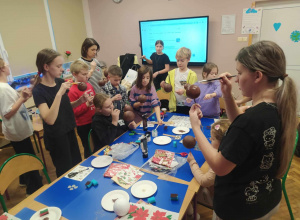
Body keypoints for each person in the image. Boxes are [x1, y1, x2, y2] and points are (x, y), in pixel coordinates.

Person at [189, 41, 298, 220]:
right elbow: (244, 130)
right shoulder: (279, 107)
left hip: (239, 210)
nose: (236, 79)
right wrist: (227, 94)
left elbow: (219, 166)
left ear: (257, 76)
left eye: (239, 73)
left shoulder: (252, 119)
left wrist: (196, 127)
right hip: (266, 199)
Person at [32, 48, 86, 178]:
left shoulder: (60, 82)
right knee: (65, 172)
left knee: (77, 167)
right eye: (58, 66)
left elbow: (64, 107)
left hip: (69, 131)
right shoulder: (38, 91)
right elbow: (49, 119)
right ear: (46, 66)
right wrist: (59, 94)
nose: (62, 69)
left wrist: (80, 101)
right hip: (56, 137)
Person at [0, 58, 43, 195]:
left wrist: (23, 95)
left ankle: (23, 180)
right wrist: (22, 98)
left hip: (17, 129)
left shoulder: (5, 87)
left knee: (22, 155)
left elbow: (13, 104)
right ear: (1, 69)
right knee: (28, 158)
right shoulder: (2, 89)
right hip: (17, 130)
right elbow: (7, 113)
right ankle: (34, 188)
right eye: (6, 64)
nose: (9, 65)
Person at [187, 120, 231, 220]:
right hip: (223, 190)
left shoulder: (222, 160)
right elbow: (213, 151)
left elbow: (204, 181)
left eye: (213, 139)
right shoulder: (227, 148)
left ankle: (190, 213)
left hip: (224, 200)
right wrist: (202, 143)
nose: (210, 139)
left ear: (222, 142)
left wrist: (192, 162)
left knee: (192, 189)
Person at [68, 60, 95, 158]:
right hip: (83, 125)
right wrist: (86, 104)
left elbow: (95, 99)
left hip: (94, 120)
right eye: (83, 74)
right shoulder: (72, 91)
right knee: (88, 148)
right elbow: (74, 112)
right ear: (74, 74)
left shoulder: (88, 85)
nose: (87, 76)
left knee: (96, 145)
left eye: (87, 73)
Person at [160, 47, 198, 115]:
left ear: (188, 59)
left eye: (182, 61)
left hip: (188, 106)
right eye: (178, 60)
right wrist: (163, 87)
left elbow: (194, 93)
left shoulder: (193, 75)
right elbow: (167, 90)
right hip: (174, 106)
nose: (179, 63)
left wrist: (184, 92)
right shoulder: (171, 73)